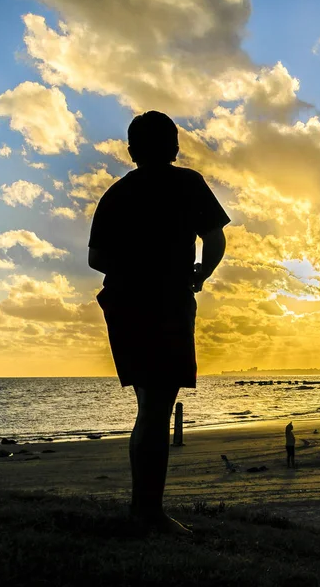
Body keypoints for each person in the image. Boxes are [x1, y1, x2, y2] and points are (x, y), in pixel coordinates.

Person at [88, 111, 230, 534]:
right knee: (156, 408)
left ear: (131, 151)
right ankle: (148, 512)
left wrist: (137, 266)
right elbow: (216, 238)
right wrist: (201, 272)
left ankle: (144, 509)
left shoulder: (117, 193)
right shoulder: (189, 184)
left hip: (126, 301)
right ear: (174, 146)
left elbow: (96, 259)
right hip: (166, 299)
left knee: (149, 406)